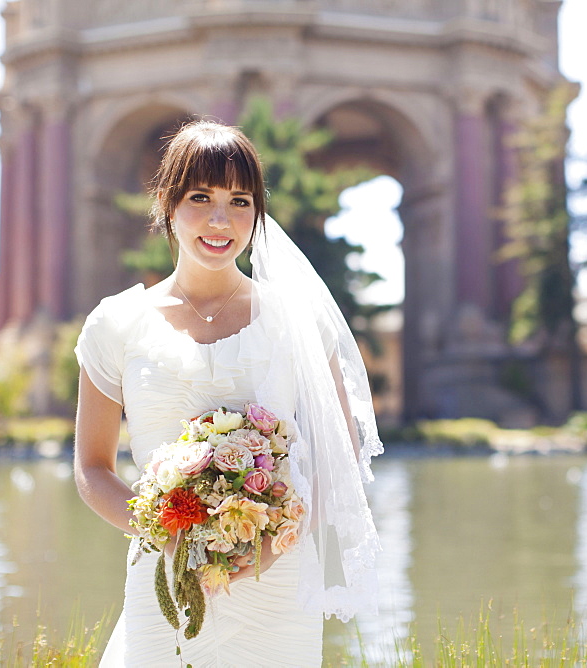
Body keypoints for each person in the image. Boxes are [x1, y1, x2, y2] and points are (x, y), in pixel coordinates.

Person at [74, 120, 382, 667]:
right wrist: (169, 537)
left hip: (276, 585)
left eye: (240, 201)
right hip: (164, 577)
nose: (221, 220)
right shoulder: (117, 325)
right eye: (200, 197)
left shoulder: (298, 320)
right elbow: (93, 470)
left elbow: (339, 456)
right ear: (167, 205)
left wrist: (267, 543)